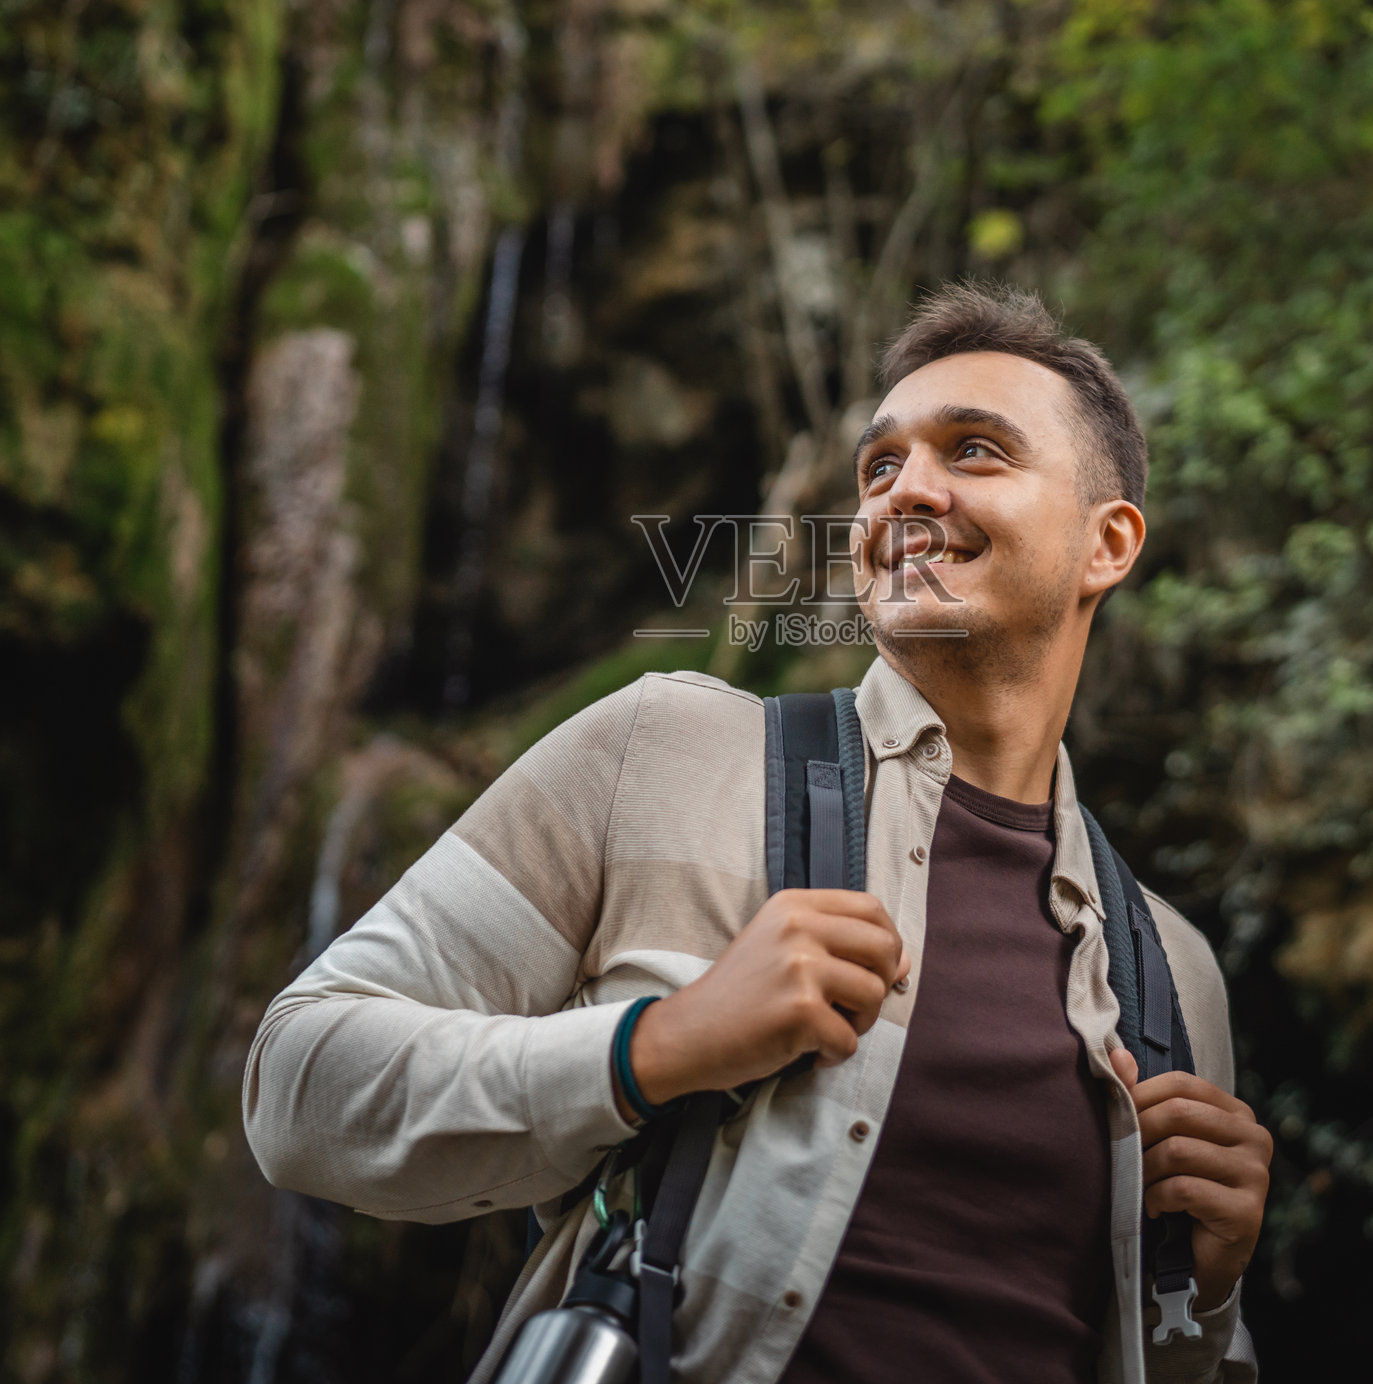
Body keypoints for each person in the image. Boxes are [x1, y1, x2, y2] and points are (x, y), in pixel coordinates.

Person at [245, 281, 1271, 1384]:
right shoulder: (669, 748)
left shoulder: (1174, 977)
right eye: (879, 467)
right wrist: (656, 1046)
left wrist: (1201, 1291)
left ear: (1106, 545)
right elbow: (299, 1081)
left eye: (974, 452)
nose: (903, 493)